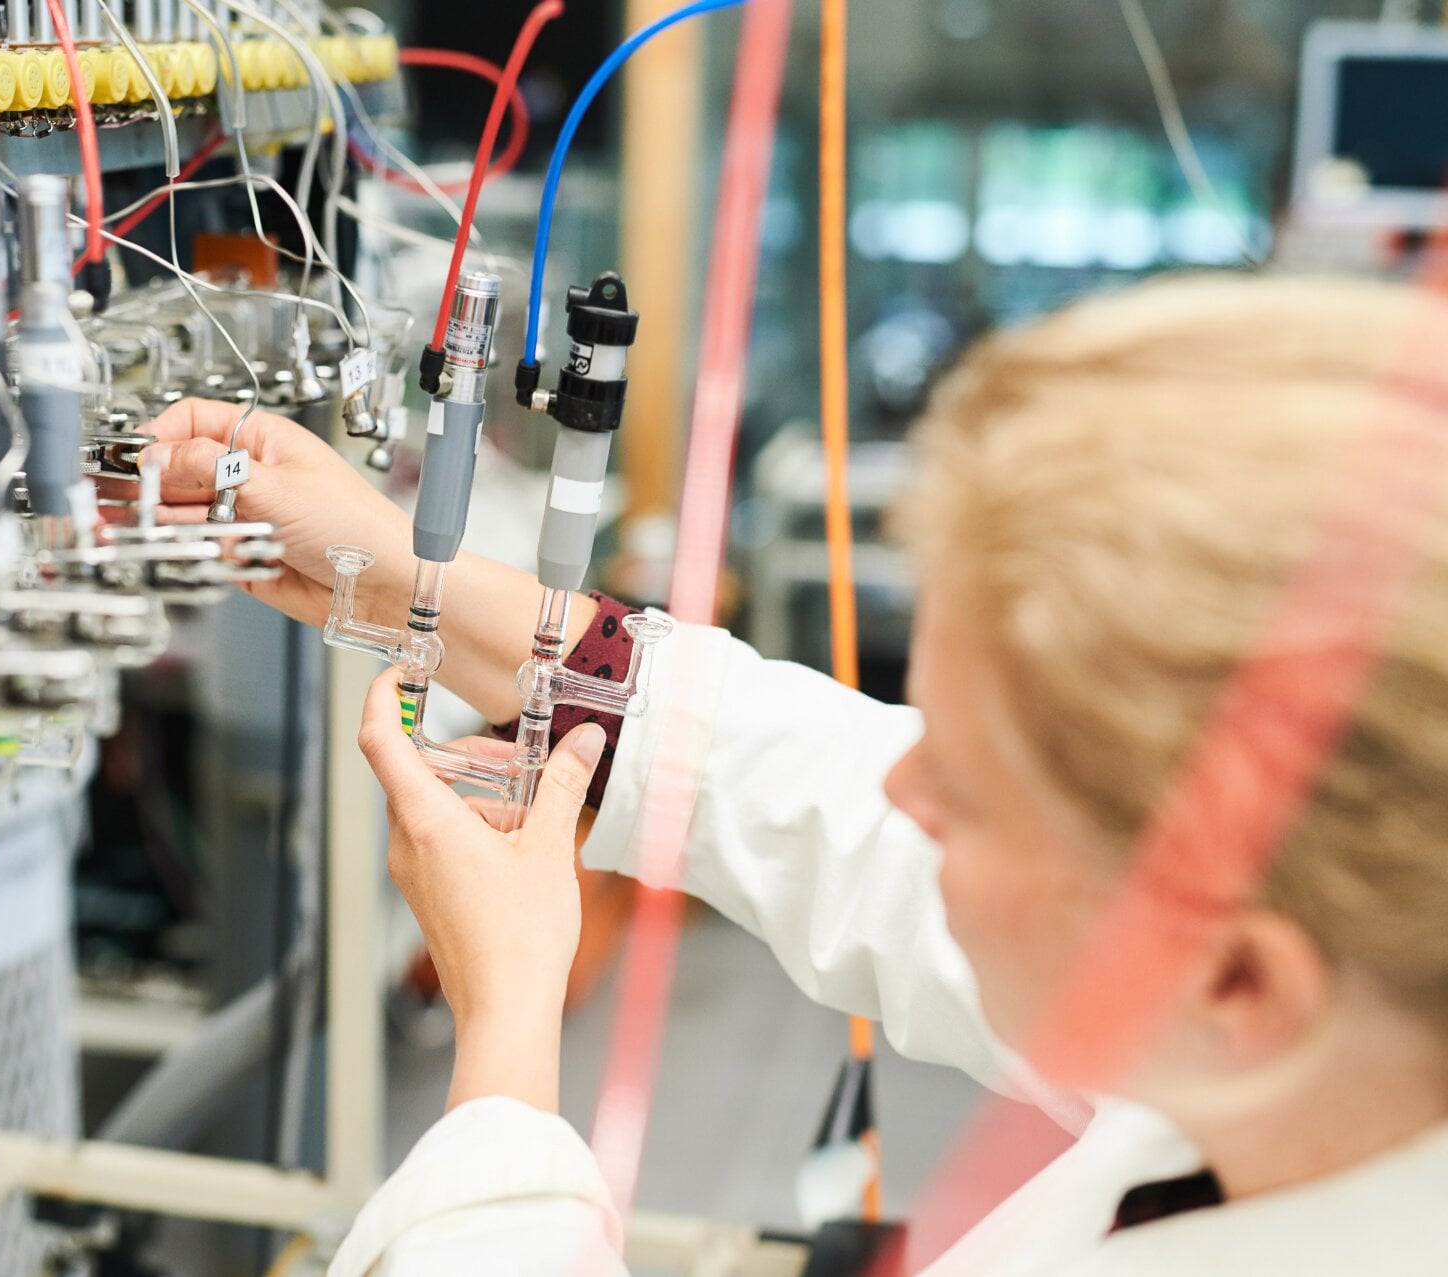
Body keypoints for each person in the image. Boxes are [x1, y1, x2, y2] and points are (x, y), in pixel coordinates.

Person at [137, 276, 1448, 1275]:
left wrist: (506, 1039)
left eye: (971, 789)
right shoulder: (1344, 1055)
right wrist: (413, 581)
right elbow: (840, 810)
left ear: (1237, 975)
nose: (900, 793)